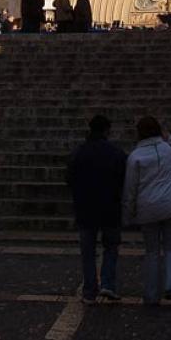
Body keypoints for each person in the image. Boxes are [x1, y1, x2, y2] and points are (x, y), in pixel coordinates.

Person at [122, 116, 171, 306]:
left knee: (152, 251)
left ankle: (151, 294)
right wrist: (170, 136)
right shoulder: (169, 149)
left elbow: (130, 188)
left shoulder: (135, 156)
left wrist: (128, 213)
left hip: (148, 208)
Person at [66, 115, 127, 305]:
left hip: (85, 208)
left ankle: (89, 290)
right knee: (110, 247)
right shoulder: (116, 153)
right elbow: (124, 179)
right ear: (107, 130)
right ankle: (108, 283)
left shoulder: (78, 152)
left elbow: (69, 178)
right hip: (110, 207)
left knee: (88, 251)